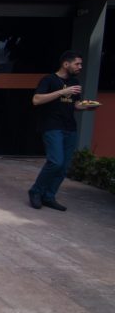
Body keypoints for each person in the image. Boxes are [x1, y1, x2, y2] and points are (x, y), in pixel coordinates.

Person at [28, 50, 98, 211]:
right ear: (66, 64)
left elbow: (75, 104)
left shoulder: (75, 82)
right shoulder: (49, 80)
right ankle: (35, 191)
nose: (80, 67)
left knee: (64, 166)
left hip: (70, 127)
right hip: (52, 126)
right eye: (77, 64)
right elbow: (36, 100)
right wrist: (62, 91)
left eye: (81, 64)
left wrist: (87, 106)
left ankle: (49, 196)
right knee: (55, 162)